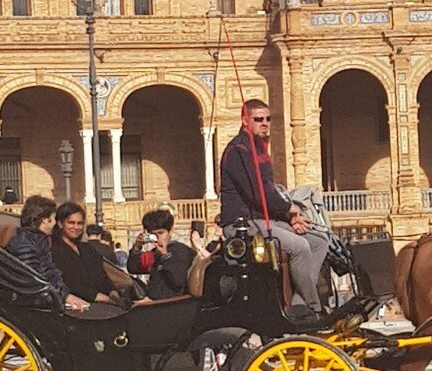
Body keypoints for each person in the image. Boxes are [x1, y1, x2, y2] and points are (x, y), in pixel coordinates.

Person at [219, 100, 329, 316]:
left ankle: (299, 299)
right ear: (245, 121)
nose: (265, 123)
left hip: (264, 219)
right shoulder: (238, 151)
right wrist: (290, 210)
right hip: (243, 224)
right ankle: (312, 307)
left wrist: (291, 219)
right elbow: (258, 194)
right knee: (299, 246)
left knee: (319, 241)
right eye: (258, 119)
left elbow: (269, 194)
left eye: (268, 119)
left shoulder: (259, 149)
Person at [6, 195, 90, 312]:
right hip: (34, 305)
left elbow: (50, 272)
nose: (55, 224)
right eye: (54, 219)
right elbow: (35, 276)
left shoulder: (38, 241)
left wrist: (65, 295)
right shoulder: (25, 244)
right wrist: (65, 297)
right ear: (45, 220)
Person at [52, 203, 121, 304]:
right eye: (71, 222)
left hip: (101, 304)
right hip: (75, 306)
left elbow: (101, 275)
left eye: (80, 223)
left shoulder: (87, 249)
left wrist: (112, 291)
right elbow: (67, 282)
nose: (76, 227)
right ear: (60, 223)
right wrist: (97, 296)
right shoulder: (54, 250)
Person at [133, 209, 195, 300]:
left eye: (161, 233)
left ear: (170, 232)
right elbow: (134, 268)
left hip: (169, 304)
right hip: (153, 301)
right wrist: (136, 248)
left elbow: (178, 280)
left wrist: (165, 256)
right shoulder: (154, 253)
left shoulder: (180, 250)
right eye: (153, 234)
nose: (158, 237)